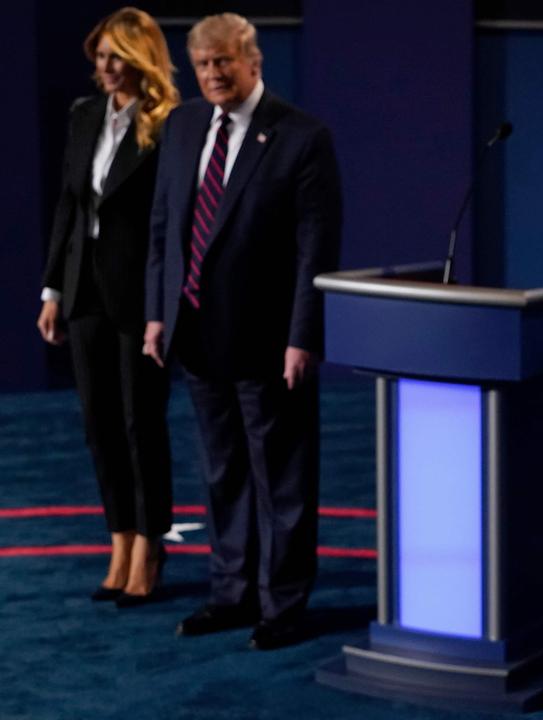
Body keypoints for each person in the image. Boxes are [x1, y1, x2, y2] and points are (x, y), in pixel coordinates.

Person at [144, 12, 341, 649]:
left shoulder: (301, 137)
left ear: (254, 61)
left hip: (268, 339)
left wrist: (303, 336)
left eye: (223, 62)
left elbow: (317, 248)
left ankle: (282, 603)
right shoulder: (182, 126)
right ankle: (231, 593)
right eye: (202, 65)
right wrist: (156, 313)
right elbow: (163, 229)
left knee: (280, 477)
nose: (213, 75)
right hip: (195, 331)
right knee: (223, 470)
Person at [37, 7, 180, 606]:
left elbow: (172, 223)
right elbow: (70, 209)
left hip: (139, 295)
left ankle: (149, 546)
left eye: (118, 55)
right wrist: (51, 291)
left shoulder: (172, 124)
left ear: (142, 57)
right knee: (99, 423)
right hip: (83, 290)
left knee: (138, 422)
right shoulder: (83, 116)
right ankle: (118, 540)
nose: (107, 68)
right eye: (100, 57)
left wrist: (164, 304)